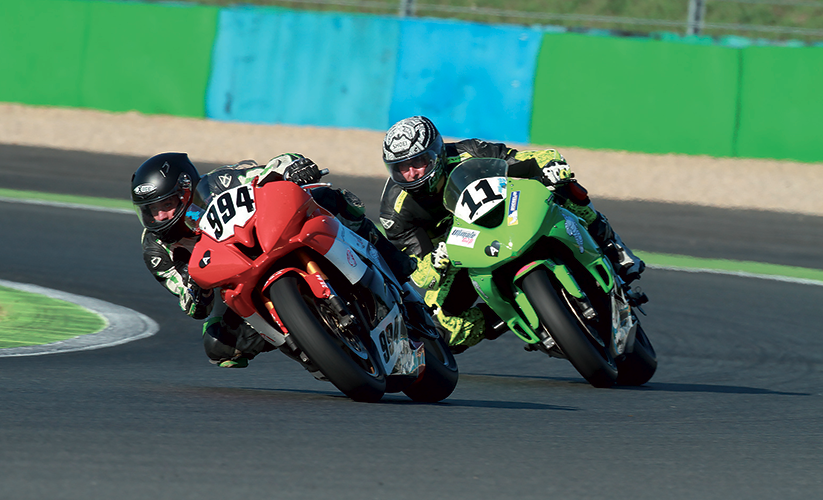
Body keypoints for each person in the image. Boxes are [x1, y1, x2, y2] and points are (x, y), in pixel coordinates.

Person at [378, 115, 645, 353]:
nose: (411, 173)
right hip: (461, 253)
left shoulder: (469, 152)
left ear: (436, 154)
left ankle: (613, 246)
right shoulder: (394, 210)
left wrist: (551, 166)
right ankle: (506, 315)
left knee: (564, 186)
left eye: (418, 162)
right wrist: (436, 262)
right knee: (446, 331)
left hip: (508, 216)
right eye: (401, 167)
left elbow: (525, 161)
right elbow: (417, 271)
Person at [131, 151, 416, 370]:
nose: (161, 217)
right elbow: (191, 304)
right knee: (218, 343)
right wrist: (195, 289)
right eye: (152, 210)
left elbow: (266, 170)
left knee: (329, 196)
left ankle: (397, 272)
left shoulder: (219, 181)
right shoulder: (155, 248)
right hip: (232, 279)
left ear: (184, 191)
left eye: (166, 205)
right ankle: (308, 347)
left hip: (269, 234)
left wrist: (291, 165)